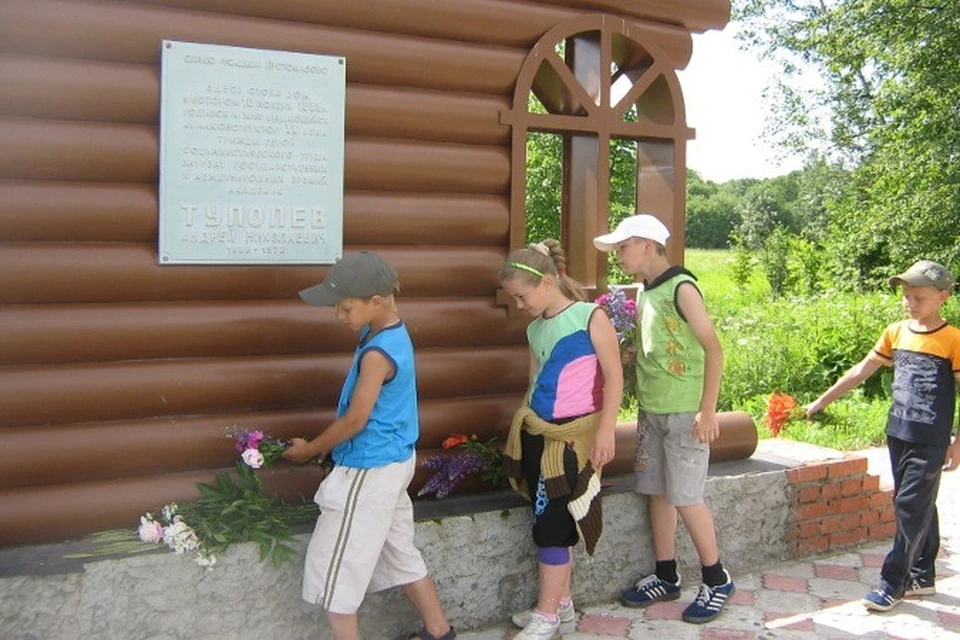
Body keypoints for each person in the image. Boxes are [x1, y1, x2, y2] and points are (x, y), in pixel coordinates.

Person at [282, 251, 456, 640]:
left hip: (369, 469)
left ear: (376, 302)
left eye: (345, 308)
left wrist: (312, 448)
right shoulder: (385, 330)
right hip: (393, 460)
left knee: (336, 569)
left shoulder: (377, 353)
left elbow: (356, 420)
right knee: (399, 553)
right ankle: (440, 632)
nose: (339, 317)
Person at [594, 214, 735, 624]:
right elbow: (662, 344)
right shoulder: (645, 291)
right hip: (652, 408)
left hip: (685, 412)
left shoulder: (682, 287)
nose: (618, 254)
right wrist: (631, 357)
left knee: (687, 496)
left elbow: (713, 349)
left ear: (647, 244)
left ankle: (716, 578)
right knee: (656, 491)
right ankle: (666, 574)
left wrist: (707, 411)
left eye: (623, 246)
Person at [805, 259, 960, 612]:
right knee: (917, 505)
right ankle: (923, 574)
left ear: (943, 297)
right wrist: (821, 400)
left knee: (909, 507)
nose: (910, 303)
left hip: (931, 440)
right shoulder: (896, 331)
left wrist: (957, 443)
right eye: (906, 296)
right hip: (898, 434)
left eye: (919, 297)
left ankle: (894, 582)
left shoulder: (953, 340)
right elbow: (863, 369)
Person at [498, 240, 623, 640]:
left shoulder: (590, 317)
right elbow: (536, 382)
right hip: (540, 434)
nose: (519, 306)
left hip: (572, 441)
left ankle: (547, 615)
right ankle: (562, 604)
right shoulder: (535, 328)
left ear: (548, 282)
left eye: (522, 296)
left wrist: (606, 430)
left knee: (551, 524)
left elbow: (615, 376)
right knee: (549, 516)